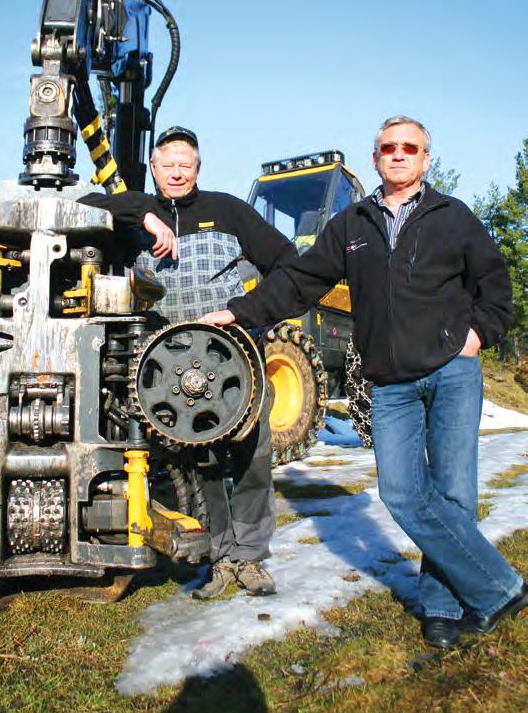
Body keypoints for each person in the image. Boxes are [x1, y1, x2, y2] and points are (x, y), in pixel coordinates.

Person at [202, 115, 527, 647]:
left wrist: (476, 336)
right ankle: (501, 588)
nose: (398, 154)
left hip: (451, 371)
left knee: (454, 494)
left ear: (425, 159)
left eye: (409, 147)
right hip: (391, 383)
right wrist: (242, 311)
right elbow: (302, 280)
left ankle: (443, 608)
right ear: (376, 159)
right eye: (387, 148)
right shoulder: (352, 224)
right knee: (402, 493)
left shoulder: (454, 217)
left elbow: (496, 285)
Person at [81, 126, 298, 598]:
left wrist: (249, 313)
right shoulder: (136, 221)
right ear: (154, 170)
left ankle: (251, 557)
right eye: (167, 164)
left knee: (250, 459)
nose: (177, 172)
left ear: (198, 169)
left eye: (186, 164)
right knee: (200, 464)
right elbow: (83, 209)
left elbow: (288, 260)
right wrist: (143, 215)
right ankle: (219, 557)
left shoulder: (228, 211)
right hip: (171, 371)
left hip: (234, 358)